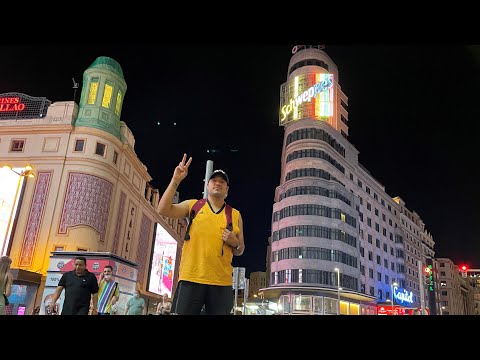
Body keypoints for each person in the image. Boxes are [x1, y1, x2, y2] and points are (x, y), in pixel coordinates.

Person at [157, 154, 245, 315]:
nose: (218, 183)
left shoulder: (235, 214)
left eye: (222, 181)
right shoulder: (193, 206)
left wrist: (235, 243)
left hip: (221, 282)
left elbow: (240, 250)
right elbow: (163, 209)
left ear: (227, 189)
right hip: (191, 278)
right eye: (214, 181)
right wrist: (175, 180)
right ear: (207, 185)